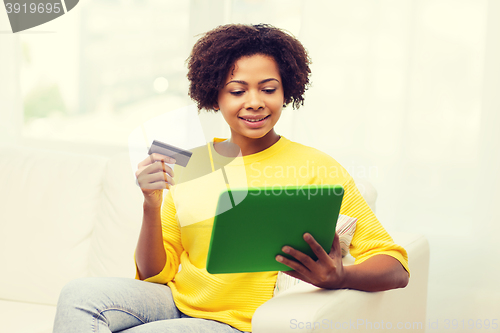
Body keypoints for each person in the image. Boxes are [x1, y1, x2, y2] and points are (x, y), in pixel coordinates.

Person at [53, 23, 409, 333]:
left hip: (236, 323)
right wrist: (151, 204)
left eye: (268, 89)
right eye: (237, 91)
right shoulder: (191, 163)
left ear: (287, 92)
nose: (254, 102)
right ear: (215, 95)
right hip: (173, 300)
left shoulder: (316, 167)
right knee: (78, 296)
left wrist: (340, 277)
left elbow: (396, 267)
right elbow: (154, 273)